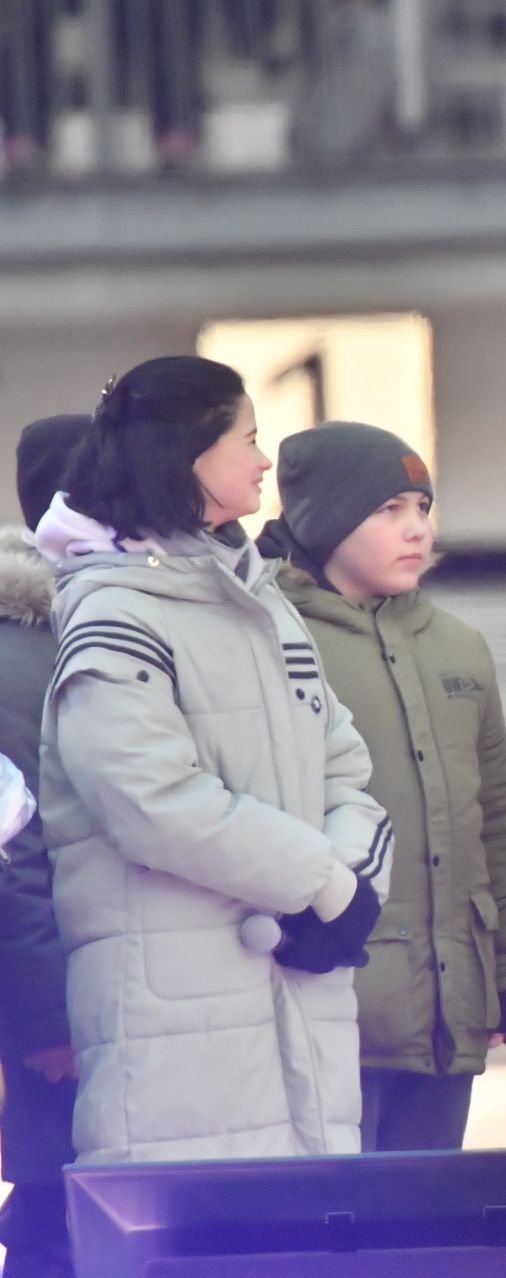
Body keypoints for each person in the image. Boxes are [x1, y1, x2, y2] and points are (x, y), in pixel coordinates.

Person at [34, 355, 389, 1163]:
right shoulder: (116, 613)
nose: (266, 461)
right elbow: (151, 799)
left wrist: (352, 883)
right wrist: (325, 883)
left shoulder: (260, 603)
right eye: (249, 439)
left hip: (301, 1023)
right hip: (177, 1053)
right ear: (186, 454)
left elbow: (346, 765)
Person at [256, 421, 506, 1152]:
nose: (416, 529)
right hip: (318, 1002)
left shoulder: (461, 646)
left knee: (425, 1232)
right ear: (326, 520)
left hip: (448, 1010)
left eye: (422, 508)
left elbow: (500, 821)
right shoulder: (265, 640)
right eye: (389, 509)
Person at [0, 415, 87, 1276]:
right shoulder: (20, 654)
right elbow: (9, 856)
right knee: (61, 1213)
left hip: (140, 1003)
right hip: (68, 1013)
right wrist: (45, 1021)